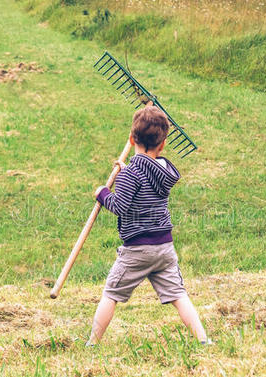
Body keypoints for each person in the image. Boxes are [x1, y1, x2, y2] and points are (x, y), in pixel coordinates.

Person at [86, 103, 209, 346]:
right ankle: (204, 340)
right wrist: (124, 172)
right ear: (162, 145)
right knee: (178, 294)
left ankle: (92, 343)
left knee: (111, 293)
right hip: (164, 247)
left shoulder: (132, 174)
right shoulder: (162, 170)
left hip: (137, 250)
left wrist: (102, 193)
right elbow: (143, 178)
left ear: (132, 140)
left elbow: (119, 205)